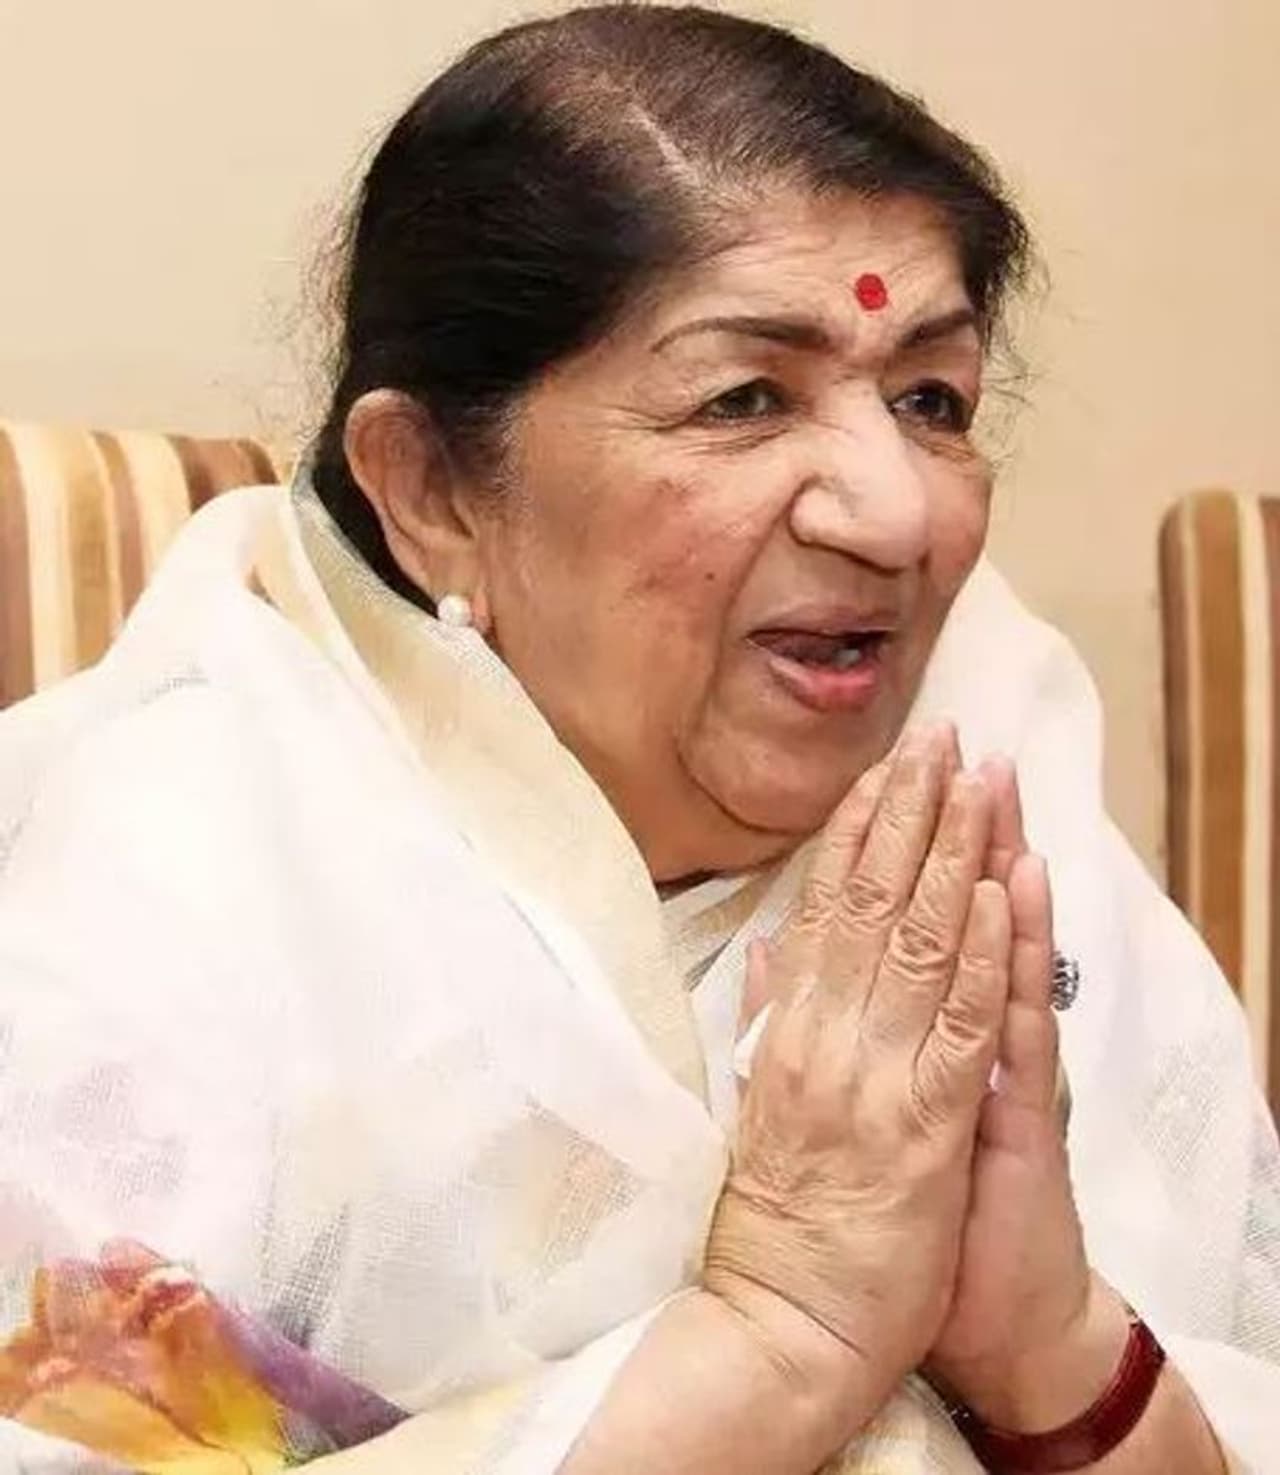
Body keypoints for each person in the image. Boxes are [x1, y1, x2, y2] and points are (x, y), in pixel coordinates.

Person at [1, 7, 1276, 1473]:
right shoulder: (176, 880)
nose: (897, 512)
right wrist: (779, 1331)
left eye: (931, 399)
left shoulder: (991, 786)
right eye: (745, 398)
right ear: (430, 491)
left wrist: (1051, 1352)